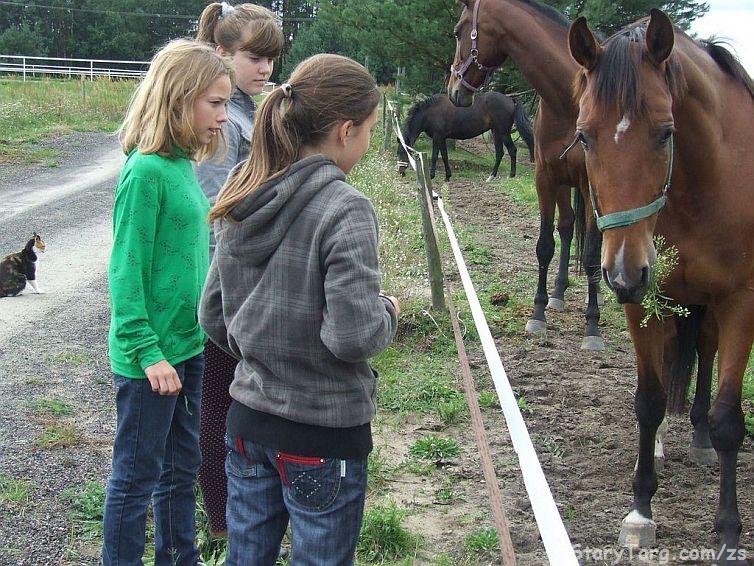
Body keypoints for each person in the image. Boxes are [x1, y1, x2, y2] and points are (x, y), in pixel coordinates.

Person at [198, 53, 400, 566]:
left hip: (247, 424)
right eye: (370, 130)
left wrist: (263, 349)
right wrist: (388, 311)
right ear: (345, 130)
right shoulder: (344, 207)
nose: (369, 141)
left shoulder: (242, 186)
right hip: (323, 434)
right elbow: (352, 335)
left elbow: (213, 316)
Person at [103, 38, 234, 566]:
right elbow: (125, 272)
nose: (224, 116)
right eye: (216, 103)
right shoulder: (146, 171)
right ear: (180, 99)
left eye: (226, 103)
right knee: (136, 478)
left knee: (181, 469)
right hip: (149, 360)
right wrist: (147, 352)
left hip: (187, 347)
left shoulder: (181, 164)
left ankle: (181, 558)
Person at [194, 0, 284, 538]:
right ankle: (222, 517)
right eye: (255, 57)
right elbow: (214, 215)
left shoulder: (250, 111)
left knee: (229, 397)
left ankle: (236, 506)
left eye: (272, 59)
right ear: (222, 53)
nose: (266, 69)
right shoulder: (224, 124)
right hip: (224, 284)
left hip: (243, 280)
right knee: (217, 401)